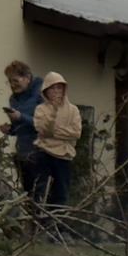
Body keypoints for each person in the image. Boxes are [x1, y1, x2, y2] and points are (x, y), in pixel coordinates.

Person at [30, 72, 81, 209]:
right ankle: (40, 221)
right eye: (52, 88)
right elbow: (44, 131)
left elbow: (76, 133)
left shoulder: (73, 110)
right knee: (41, 191)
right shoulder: (41, 109)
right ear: (46, 90)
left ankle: (57, 225)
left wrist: (55, 132)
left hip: (64, 156)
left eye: (59, 87)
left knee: (61, 193)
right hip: (44, 153)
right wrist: (53, 114)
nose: (56, 91)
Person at [0, 60, 42, 199]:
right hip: (23, 152)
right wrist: (10, 129)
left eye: (15, 80)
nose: (12, 85)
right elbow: (20, 127)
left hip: (40, 152)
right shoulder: (13, 100)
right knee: (28, 195)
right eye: (10, 81)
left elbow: (44, 125)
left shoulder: (41, 94)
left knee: (40, 194)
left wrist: (21, 116)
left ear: (27, 78)